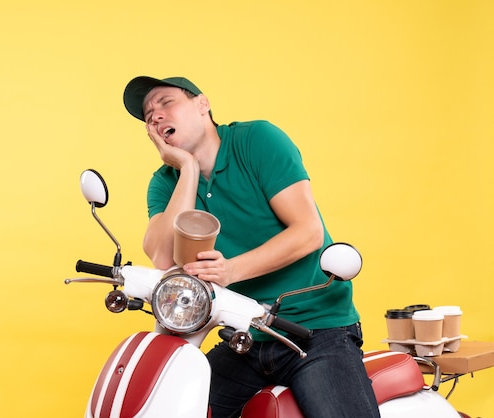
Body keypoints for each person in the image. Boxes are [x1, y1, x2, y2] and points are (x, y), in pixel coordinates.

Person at [122, 75, 380, 418]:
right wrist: (187, 169)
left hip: (315, 330)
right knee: (174, 402)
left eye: (166, 103)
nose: (154, 116)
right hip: (245, 337)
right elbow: (162, 257)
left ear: (202, 104)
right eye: (148, 114)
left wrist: (230, 270)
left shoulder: (256, 140)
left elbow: (307, 233)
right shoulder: (164, 181)